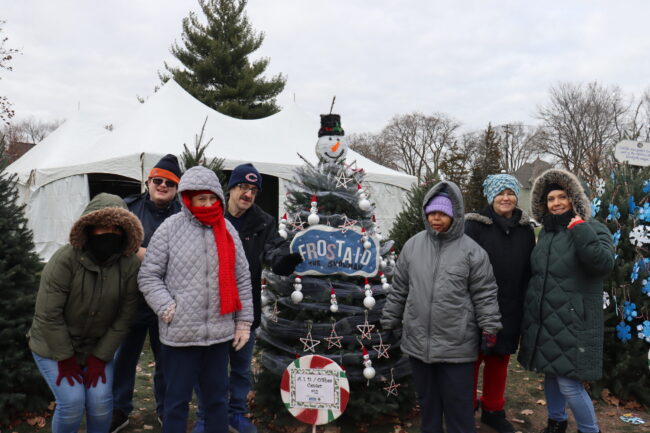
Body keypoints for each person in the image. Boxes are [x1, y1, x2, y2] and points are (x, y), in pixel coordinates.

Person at [138, 166, 254, 433]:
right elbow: (149, 276)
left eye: (212, 198)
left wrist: (243, 322)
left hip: (218, 334)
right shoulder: (169, 229)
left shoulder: (227, 230)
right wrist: (167, 307)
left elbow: (242, 278)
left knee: (216, 401)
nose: (208, 204)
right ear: (188, 198)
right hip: (179, 335)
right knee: (176, 402)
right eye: (201, 199)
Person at [381, 181, 502, 433]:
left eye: (443, 213)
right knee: (428, 404)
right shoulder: (413, 246)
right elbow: (400, 287)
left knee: (459, 406)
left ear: (455, 215)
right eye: (432, 213)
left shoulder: (472, 252)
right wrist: (390, 320)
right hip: (419, 343)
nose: (436, 218)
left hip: (456, 345)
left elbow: (485, 293)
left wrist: (490, 327)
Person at [192, 163, 302, 433]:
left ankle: (236, 414)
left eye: (253, 189)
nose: (248, 193)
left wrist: (284, 261)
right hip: (210, 307)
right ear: (230, 188)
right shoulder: (211, 215)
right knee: (208, 368)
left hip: (245, 307)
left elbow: (273, 250)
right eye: (243, 187)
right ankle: (206, 416)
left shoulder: (263, 221)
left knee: (240, 369)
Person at [28, 193, 144, 433]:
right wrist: (66, 359)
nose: (108, 233)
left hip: (96, 347)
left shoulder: (130, 264)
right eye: (102, 227)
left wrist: (100, 357)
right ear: (89, 228)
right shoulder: (64, 260)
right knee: (71, 401)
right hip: (53, 348)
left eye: (116, 227)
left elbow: (125, 316)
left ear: (125, 231)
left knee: (101, 403)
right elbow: (49, 314)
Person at [518, 169, 614, 433]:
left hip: (574, 320)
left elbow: (603, 265)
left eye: (563, 197)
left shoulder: (594, 228)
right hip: (546, 318)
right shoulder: (546, 234)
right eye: (551, 199)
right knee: (550, 374)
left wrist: (580, 229)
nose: (556, 203)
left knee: (569, 383)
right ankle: (556, 421)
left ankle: (589, 429)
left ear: (575, 198)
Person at [110, 154, 182, 432]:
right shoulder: (128, 209)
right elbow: (114, 241)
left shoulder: (182, 215)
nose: (162, 185)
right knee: (123, 360)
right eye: (158, 180)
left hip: (168, 303)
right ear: (148, 181)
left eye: (170, 182)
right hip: (131, 299)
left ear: (176, 188)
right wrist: (136, 250)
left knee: (167, 362)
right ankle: (119, 410)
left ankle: (166, 409)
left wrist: (144, 253)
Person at [464, 174, 535, 433]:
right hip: (476, 306)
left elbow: (528, 268)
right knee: (472, 358)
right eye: (500, 193)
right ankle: (465, 407)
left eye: (510, 193)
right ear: (491, 197)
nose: (506, 198)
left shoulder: (525, 229)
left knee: (500, 359)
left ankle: (493, 409)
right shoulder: (474, 225)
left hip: (510, 305)